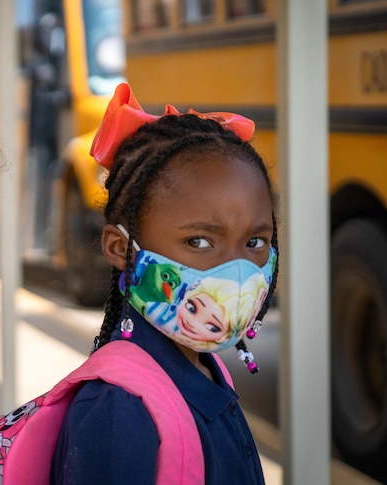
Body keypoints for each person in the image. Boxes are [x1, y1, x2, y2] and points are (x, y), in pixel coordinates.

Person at [51, 83, 279, 484]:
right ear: (122, 248)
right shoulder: (119, 411)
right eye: (199, 242)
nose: (237, 272)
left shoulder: (205, 368)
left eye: (255, 242)